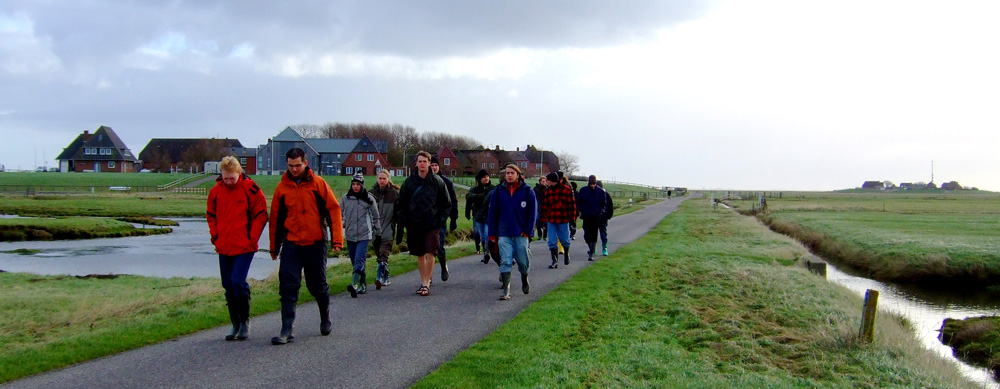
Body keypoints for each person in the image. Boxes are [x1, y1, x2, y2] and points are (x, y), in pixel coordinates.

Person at [268, 148, 344, 345]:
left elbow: (334, 210)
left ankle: (325, 316)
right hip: (292, 243)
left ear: (305, 163)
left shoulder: (318, 184)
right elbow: (275, 218)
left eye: (298, 165)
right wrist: (274, 247)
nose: (294, 169)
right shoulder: (282, 188)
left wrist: (337, 240)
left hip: (315, 242)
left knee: (316, 285)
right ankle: (286, 329)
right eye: (291, 166)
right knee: (287, 284)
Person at [206, 156, 267, 341]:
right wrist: (215, 237)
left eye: (232, 178)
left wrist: (252, 238)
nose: (228, 181)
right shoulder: (215, 192)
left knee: (237, 282)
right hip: (224, 245)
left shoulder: (251, 189)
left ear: (239, 173)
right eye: (225, 178)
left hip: (244, 246)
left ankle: (245, 321)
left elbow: (262, 214)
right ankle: (235, 323)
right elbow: (210, 216)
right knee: (228, 286)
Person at [396, 151, 452, 296]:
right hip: (414, 223)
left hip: (432, 223)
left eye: (424, 161)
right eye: (419, 161)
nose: (422, 164)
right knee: (420, 253)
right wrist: (404, 221)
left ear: (429, 163)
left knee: (431, 251)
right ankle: (423, 281)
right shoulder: (409, 183)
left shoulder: (437, 182)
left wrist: (441, 220)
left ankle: (426, 283)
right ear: (416, 163)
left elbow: (446, 204)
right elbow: (401, 204)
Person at [488, 164, 537, 300]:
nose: (509, 175)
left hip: (521, 233)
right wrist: (492, 233)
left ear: (518, 175)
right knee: (505, 260)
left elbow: (532, 213)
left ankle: (524, 278)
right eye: (507, 173)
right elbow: (492, 213)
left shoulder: (527, 191)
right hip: (503, 233)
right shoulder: (498, 191)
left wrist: (527, 231)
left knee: (522, 261)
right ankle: (506, 290)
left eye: (512, 173)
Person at [342, 172, 380, 298]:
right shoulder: (345, 198)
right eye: (353, 184)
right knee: (355, 262)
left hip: (364, 235)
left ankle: (354, 285)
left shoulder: (369, 199)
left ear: (362, 185)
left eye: (358, 184)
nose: (355, 187)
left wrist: (378, 232)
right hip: (350, 234)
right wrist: (341, 224)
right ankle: (363, 284)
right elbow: (339, 214)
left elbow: (375, 216)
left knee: (359, 260)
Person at [429, 156, 459, 281]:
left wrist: (453, 219)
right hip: (426, 219)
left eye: (436, 165)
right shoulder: (423, 181)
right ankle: (427, 276)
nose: (434, 168)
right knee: (427, 248)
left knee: (439, 245)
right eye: (432, 166)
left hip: (441, 218)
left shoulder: (446, 182)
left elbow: (453, 201)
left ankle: (443, 265)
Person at [540, 171, 576, 268]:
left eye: (548, 180)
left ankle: (566, 254)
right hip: (551, 219)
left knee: (565, 240)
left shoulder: (566, 190)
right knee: (552, 241)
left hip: (563, 218)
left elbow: (571, 205)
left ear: (553, 181)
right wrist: (543, 218)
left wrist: (572, 218)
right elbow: (545, 205)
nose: (546, 182)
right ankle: (554, 260)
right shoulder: (548, 191)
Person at [370, 169, 398, 289]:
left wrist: (400, 227)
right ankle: (386, 276)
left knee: (383, 254)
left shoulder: (394, 194)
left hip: (388, 228)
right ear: (377, 179)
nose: (382, 181)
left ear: (388, 179)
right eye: (380, 178)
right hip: (375, 229)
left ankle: (379, 277)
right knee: (378, 254)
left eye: (384, 178)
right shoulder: (371, 194)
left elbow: (399, 212)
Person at [465, 169, 494, 264]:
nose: (486, 178)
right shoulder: (475, 189)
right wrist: (477, 196)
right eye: (484, 177)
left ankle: (487, 253)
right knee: (481, 236)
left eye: (487, 176)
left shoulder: (492, 188)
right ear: (480, 179)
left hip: (489, 216)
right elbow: (468, 196)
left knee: (487, 235)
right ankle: (485, 251)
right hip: (478, 215)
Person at [576, 175, 607, 261]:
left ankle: (592, 253)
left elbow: (604, 203)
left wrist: (601, 211)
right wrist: (580, 210)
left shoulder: (601, 192)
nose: (592, 185)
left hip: (596, 216)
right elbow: (579, 201)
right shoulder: (583, 191)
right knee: (586, 234)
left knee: (594, 234)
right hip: (586, 216)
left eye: (594, 183)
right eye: (591, 183)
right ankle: (590, 248)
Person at [596, 181, 614, 256]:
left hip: (603, 217)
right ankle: (593, 249)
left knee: (603, 233)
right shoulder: (594, 194)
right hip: (595, 217)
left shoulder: (606, 195)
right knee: (594, 234)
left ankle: (604, 248)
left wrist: (608, 216)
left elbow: (610, 206)